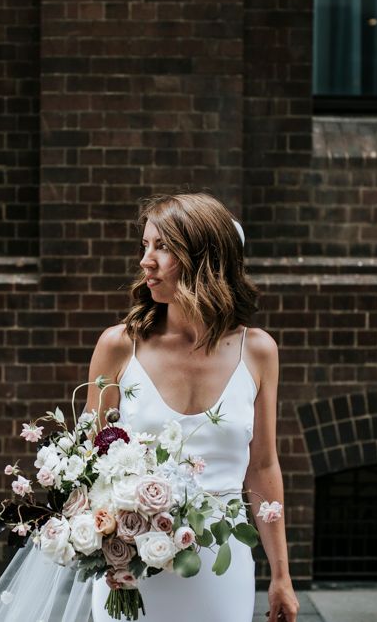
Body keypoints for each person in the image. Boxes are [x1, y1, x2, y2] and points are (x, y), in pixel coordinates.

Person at [85, 192, 300, 622]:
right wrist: (99, 547)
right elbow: (90, 463)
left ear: (205, 258)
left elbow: (263, 467)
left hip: (221, 563)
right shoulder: (118, 346)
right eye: (144, 246)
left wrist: (281, 575)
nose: (146, 260)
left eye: (162, 247)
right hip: (132, 564)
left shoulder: (257, 351)